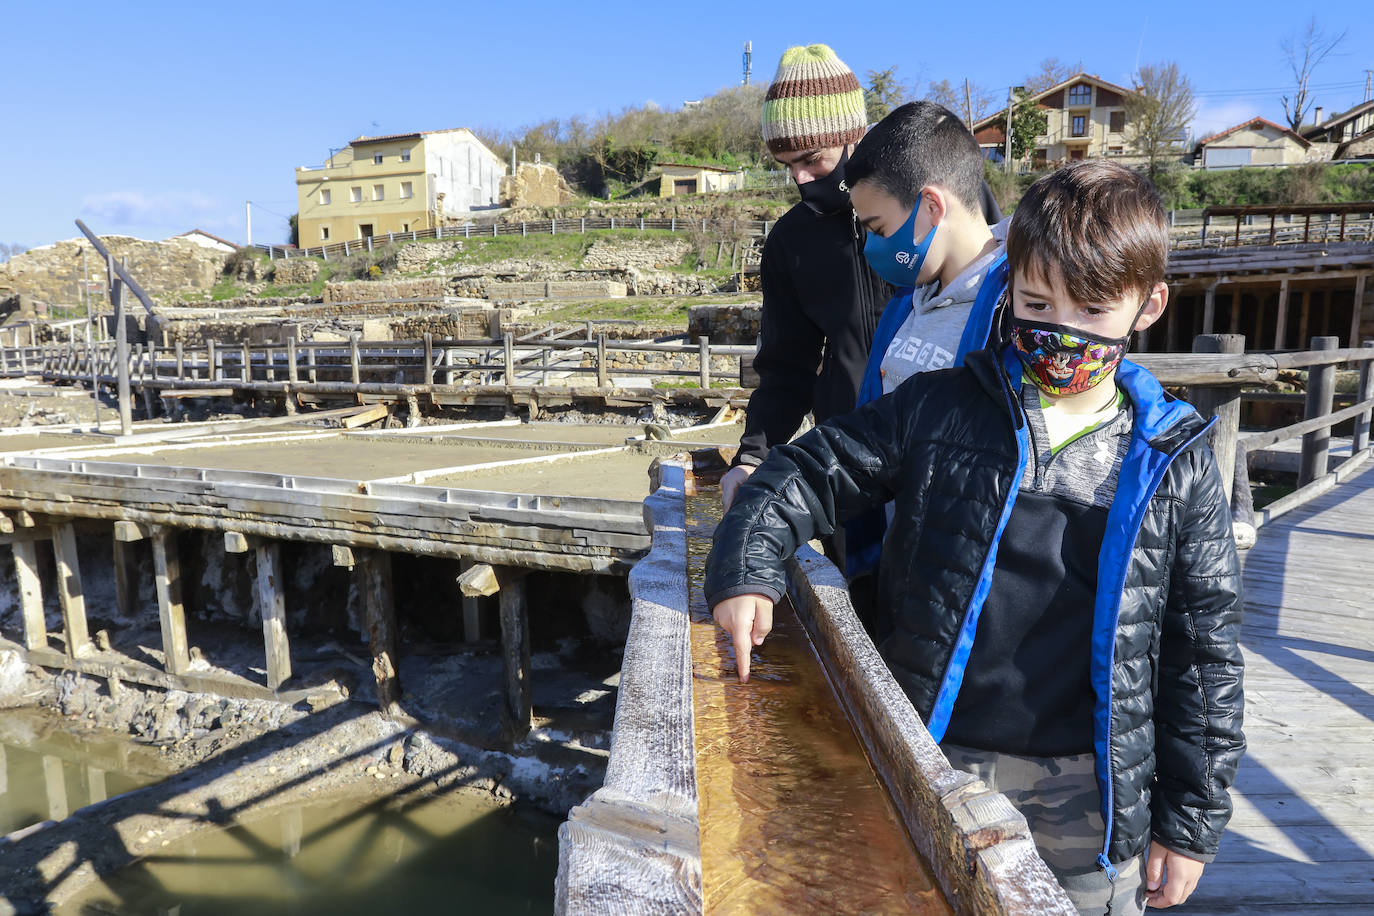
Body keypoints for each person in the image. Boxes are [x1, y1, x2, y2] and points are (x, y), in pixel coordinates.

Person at [706, 161, 1245, 915]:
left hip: (1092, 790)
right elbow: (804, 475)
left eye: (1092, 310)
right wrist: (744, 570)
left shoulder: (1173, 461)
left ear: (1148, 304)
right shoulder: (939, 409)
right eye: (1036, 302)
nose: (1061, 330)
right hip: (933, 753)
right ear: (1010, 283)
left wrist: (1189, 826)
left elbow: (1205, 656)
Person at [721, 47, 1001, 510]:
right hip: (846, 463)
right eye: (787, 166)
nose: (801, 179)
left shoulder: (943, 200)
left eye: (812, 158)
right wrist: (752, 455)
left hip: (950, 462)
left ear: (855, 137)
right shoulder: (790, 243)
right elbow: (787, 366)